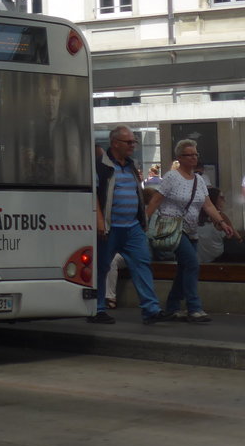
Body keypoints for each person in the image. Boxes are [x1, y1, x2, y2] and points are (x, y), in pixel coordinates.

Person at [145, 141, 240, 321]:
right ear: (180, 158)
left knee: (184, 268)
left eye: (196, 154)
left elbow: (208, 205)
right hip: (173, 228)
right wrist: (145, 220)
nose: (194, 158)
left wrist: (221, 222)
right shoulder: (172, 177)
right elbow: (156, 200)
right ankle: (194, 308)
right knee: (192, 264)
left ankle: (172, 307)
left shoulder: (199, 180)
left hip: (191, 230)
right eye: (190, 155)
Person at [92, 126, 163, 324]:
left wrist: (142, 219)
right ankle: (96, 309)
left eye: (134, 142)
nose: (133, 145)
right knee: (102, 267)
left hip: (132, 227)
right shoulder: (101, 165)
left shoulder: (131, 165)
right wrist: (99, 220)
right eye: (129, 142)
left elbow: (138, 194)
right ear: (115, 143)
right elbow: (93, 196)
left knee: (142, 264)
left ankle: (151, 309)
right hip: (110, 227)